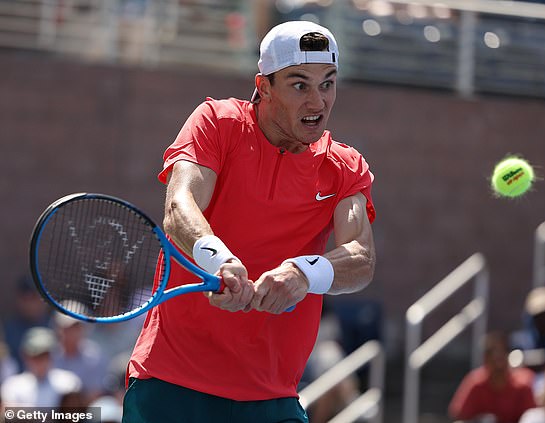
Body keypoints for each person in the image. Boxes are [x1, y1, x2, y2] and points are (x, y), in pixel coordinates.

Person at [123, 20, 376, 423]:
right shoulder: (217, 122)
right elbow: (180, 206)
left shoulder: (345, 167)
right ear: (264, 87)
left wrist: (303, 273)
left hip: (273, 398)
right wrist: (218, 259)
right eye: (300, 85)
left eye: (327, 83)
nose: (318, 102)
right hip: (171, 383)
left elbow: (361, 259)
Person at [448, 332, 537, 423]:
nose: (497, 358)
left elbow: (533, 416)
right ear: (485, 358)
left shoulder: (524, 381)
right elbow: (459, 415)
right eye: (492, 354)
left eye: (502, 352)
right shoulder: (475, 381)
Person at [1, 327, 82, 407]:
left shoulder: (69, 382)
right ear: (25, 356)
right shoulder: (12, 385)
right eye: (35, 355)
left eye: (44, 355)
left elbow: (73, 415)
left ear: (51, 355)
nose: (40, 361)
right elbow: (8, 414)